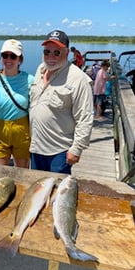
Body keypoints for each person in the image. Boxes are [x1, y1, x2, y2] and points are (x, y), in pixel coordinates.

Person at [29, 29, 93, 174]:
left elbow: (85, 117)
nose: (51, 56)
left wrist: (76, 149)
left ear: (67, 53)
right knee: (38, 190)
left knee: (58, 194)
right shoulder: (40, 69)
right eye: (47, 52)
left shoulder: (78, 79)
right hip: (36, 148)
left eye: (57, 52)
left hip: (59, 151)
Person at [0, 39, 34, 168]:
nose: (8, 59)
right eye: (5, 55)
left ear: (20, 59)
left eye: (13, 56)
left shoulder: (30, 80)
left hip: (22, 130)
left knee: (23, 173)